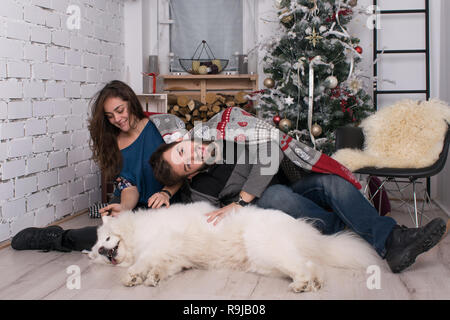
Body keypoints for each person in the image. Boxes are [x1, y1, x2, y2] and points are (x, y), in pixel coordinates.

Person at [149, 137, 447, 274]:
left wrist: (241, 200)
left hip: (298, 182)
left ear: (182, 139)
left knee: (331, 184)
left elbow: (269, 150)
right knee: (274, 196)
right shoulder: (201, 191)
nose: (194, 154)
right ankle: (366, 233)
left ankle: (392, 239)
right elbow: (202, 224)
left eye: (184, 149)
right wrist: (167, 192)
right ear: (188, 174)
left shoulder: (224, 135)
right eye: (187, 162)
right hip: (277, 207)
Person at [11, 80, 179, 252]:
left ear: (131, 101)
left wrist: (166, 193)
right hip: (134, 203)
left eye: (120, 110)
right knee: (109, 239)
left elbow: (186, 168)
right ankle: (55, 238)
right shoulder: (112, 144)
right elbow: (129, 187)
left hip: (167, 201)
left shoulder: (160, 125)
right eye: (110, 116)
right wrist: (124, 208)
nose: (117, 119)